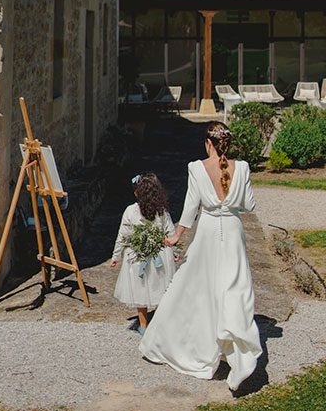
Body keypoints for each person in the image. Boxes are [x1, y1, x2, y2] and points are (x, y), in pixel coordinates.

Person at [139, 121, 262, 390]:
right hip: (232, 230)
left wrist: (176, 236)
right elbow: (249, 205)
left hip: (207, 231)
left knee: (197, 287)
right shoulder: (241, 168)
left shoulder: (196, 168)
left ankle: (190, 344)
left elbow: (191, 207)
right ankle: (239, 355)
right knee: (234, 288)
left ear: (208, 142)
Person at [110, 172, 176, 333]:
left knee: (139, 288)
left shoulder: (130, 211)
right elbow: (170, 233)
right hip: (159, 253)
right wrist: (175, 251)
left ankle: (144, 324)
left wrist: (115, 257)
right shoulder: (161, 211)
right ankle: (160, 322)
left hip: (137, 255)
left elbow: (123, 236)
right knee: (160, 287)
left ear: (137, 192)